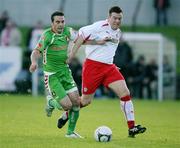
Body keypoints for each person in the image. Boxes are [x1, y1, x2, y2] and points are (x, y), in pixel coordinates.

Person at [59, 6, 146, 138]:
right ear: (109, 17)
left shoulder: (118, 32)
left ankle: (131, 127)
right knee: (86, 101)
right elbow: (80, 36)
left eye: (119, 18)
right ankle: (67, 113)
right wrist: (71, 56)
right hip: (92, 67)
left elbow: (108, 50)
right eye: (115, 18)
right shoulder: (98, 26)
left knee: (125, 93)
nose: (117, 21)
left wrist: (112, 65)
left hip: (109, 68)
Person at [29, 11, 83, 138]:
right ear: (52, 23)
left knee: (76, 102)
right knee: (67, 106)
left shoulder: (68, 31)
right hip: (52, 75)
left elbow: (81, 39)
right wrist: (33, 62)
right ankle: (50, 103)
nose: (60, 24)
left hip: (65, 72)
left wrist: (99, 41)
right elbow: (36, 51)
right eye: (57, 22)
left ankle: (70, 133)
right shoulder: (47, 35)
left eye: (62, 21)